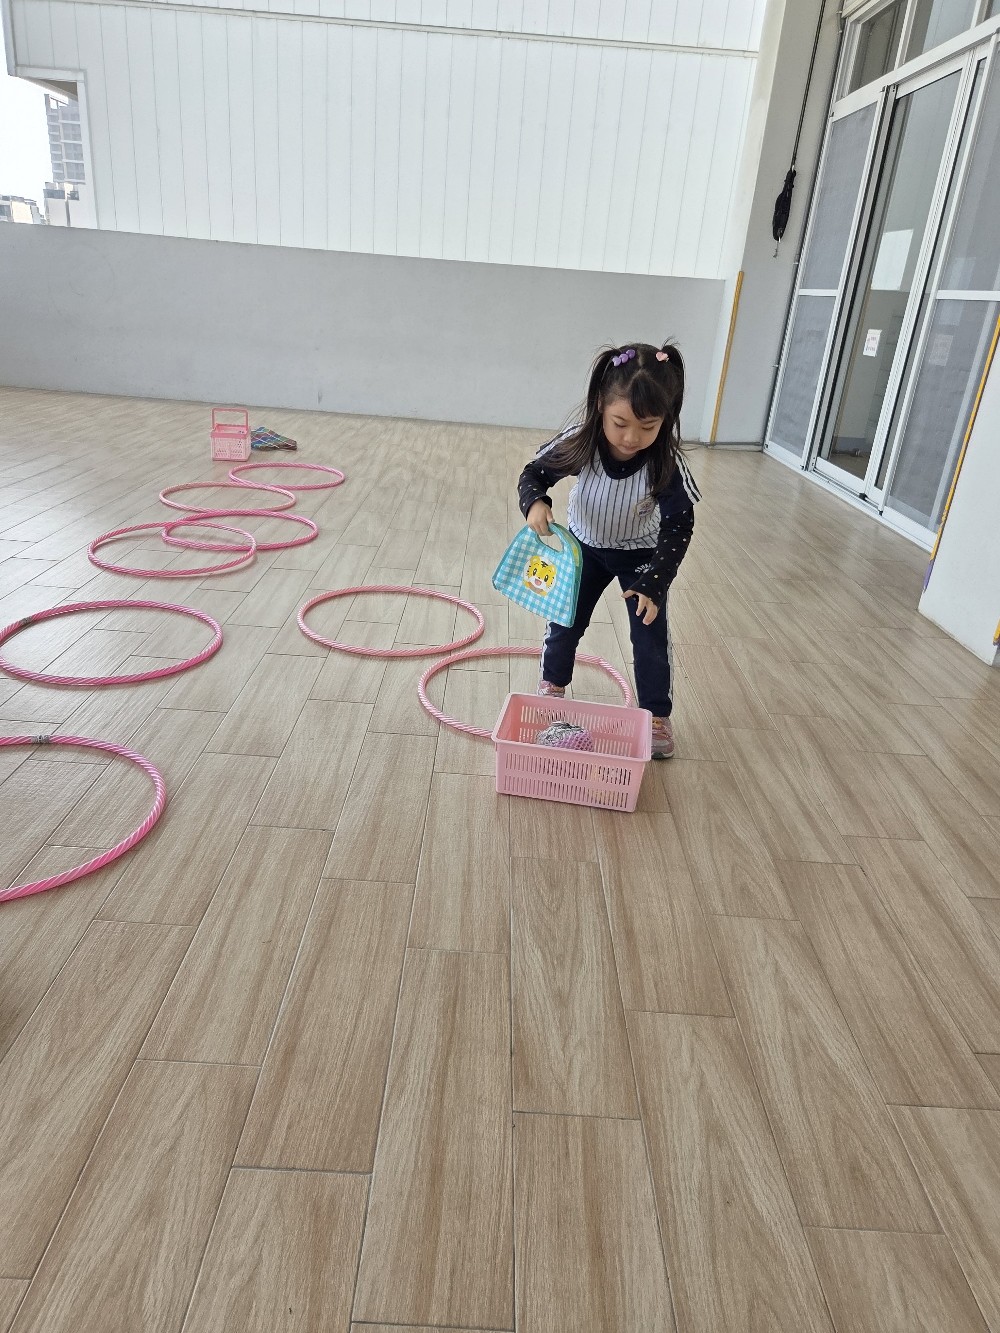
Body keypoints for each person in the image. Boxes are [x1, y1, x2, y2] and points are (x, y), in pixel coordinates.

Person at [517, 341, 699, 759]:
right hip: (584, 549)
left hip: (642, 559)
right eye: (620, 423)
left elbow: (679, 524)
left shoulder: (665, 463)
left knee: (649, 637)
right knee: (564, 622)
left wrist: (655, 582)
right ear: (600, 404)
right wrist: (535, 502)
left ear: (666, 419)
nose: (632, 438)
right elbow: (533, 474)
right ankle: (552, 687)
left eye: (648, 427)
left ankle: (656, 715)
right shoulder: (583, 442)